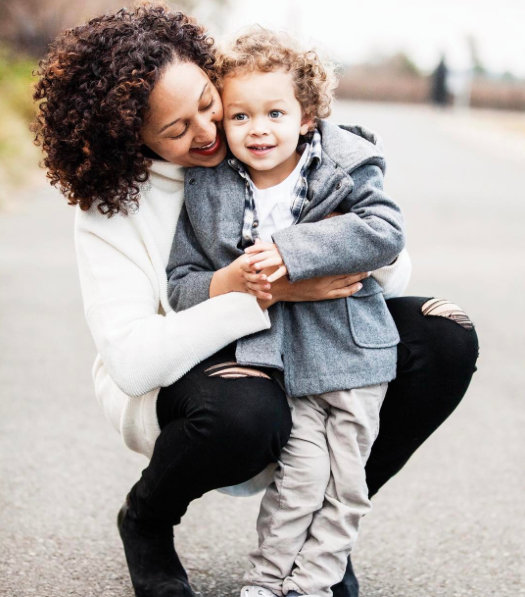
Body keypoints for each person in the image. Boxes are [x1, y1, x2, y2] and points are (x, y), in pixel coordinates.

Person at [31, 4, 479, 597]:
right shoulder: (113, 209)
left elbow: (386, 270)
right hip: (187, 369)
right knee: (245, 412)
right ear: (131, 138)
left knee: (444, 335)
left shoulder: (285, 148)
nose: (209, 131)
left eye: (208, 102)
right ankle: (147, 519)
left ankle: (324, 534)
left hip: (309, 335)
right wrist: (269, 290)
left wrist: (338, 247)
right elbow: (135, 362)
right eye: (176, 130)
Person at [167, 28, 404, 597]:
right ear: (223, 122)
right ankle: (267, 580)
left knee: (345, 486)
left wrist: (291, 250)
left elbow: (385, 232)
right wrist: (233, 282)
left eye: (275, 113)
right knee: (297, 481)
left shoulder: (345, 163)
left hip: (353, 355)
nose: (258, 129)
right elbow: (181, 285)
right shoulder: (208, 188)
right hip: (279, 360)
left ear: (306, 117)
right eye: (240, 116)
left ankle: (313, 583)